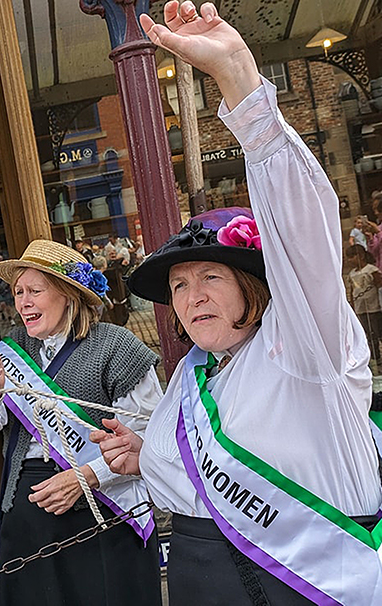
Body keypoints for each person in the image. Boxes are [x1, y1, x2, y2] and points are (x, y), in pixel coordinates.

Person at [94, 3, 382, 603]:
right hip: (205, 580)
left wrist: (242, 87)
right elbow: (197, 481)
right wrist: (146, 458)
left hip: (302, 585)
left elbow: (305, 237)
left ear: (254, 285)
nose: (190, 297)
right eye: (178, 286)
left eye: (209, 278)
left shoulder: (305, 344)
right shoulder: (193, 373)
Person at [0, 240, 163, 606]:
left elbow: (151, 434)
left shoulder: (117, 346)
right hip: (29, 509)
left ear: (68, 295)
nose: (23, 302)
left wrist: (86, 477)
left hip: (104, 507)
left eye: (35, 291)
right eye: (19, 292)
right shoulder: (15, 348)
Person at [345, 244, 382, 366]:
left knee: (378, 332)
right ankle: (376, 359)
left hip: (374, 308)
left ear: (360, 256)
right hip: (361, 309)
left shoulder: (371, 270)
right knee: (369, 335)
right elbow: (351, 291)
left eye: (351, 257)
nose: (349, 260)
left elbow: (379, 286)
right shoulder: (352, 274)